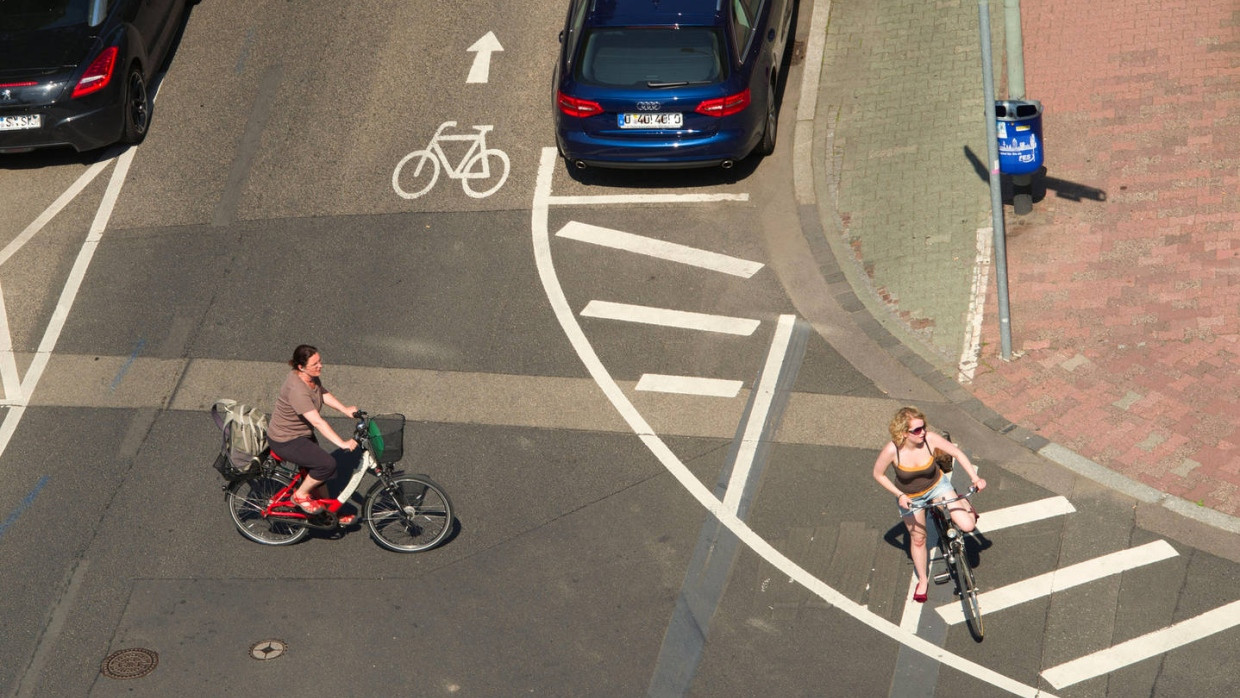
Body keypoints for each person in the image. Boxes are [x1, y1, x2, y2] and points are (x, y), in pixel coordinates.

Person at [872, 406, 986, 603]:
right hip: (911, 498)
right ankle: (923, 581)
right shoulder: (893, 450)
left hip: (937, 488)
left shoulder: (930, 439)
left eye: (922, 427)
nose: (922, 432)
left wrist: (975, 478)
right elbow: (878, 474)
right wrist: (900, 495)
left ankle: (962, 502)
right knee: (918, 540)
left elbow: (957, 454)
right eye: (916, 430)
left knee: (967, 526)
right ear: (903, 433)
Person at [267, 344, 359, 523]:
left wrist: (345, 409)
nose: (320, 366)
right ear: (301, 367)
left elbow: (321, 393)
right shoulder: (297, 390)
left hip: (301, 434)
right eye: (315, 364)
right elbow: (317, 422)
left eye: (320, 361)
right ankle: (300, 495)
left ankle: (328, 511)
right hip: (286, 439)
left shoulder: (311, 377)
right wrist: (342, 444)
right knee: (326, 464)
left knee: (320, 473)